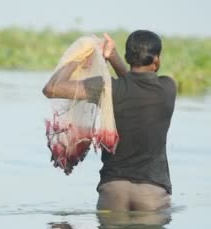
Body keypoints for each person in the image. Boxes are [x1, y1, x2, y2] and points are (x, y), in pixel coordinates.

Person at [42, 30, 176, 211]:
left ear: (128, 57)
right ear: (157, 60)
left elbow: (51, 88)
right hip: (152, 194)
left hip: (113, 192)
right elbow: (134, 85)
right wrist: (113, 57)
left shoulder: (106, 88)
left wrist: (79, 56)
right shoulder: (168, 88)